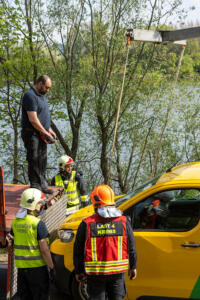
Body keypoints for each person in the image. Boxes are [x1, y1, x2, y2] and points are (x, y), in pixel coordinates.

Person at [73, 184, 137, 300]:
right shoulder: (124, 221)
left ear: (95, 202)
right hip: (117, 274)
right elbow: (131, 246)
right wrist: (133, 266)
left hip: (95, 274)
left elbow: (78, 249)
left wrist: (79, 270)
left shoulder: (86, 223)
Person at [10, 188, 55, 300]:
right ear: (34, 204)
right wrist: (52, 267)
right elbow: (44, 250)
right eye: (40, 203)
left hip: (21, 270)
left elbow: (11, 240)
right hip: (37, 270)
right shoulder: (38, 224)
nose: (41, 206)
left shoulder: (15, 223)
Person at [21, 75, 56, 194]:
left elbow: (42, 116)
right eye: (46, 87)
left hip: (41, 132)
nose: (48, 90)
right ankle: (35, 186)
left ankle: (43, 184)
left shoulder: (42, 96)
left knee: (42, 159)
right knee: (34, 159)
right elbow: (33, 119)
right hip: (31, 133)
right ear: (40, 84)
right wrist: (45, 132)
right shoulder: (30, 96)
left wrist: (49, 129)